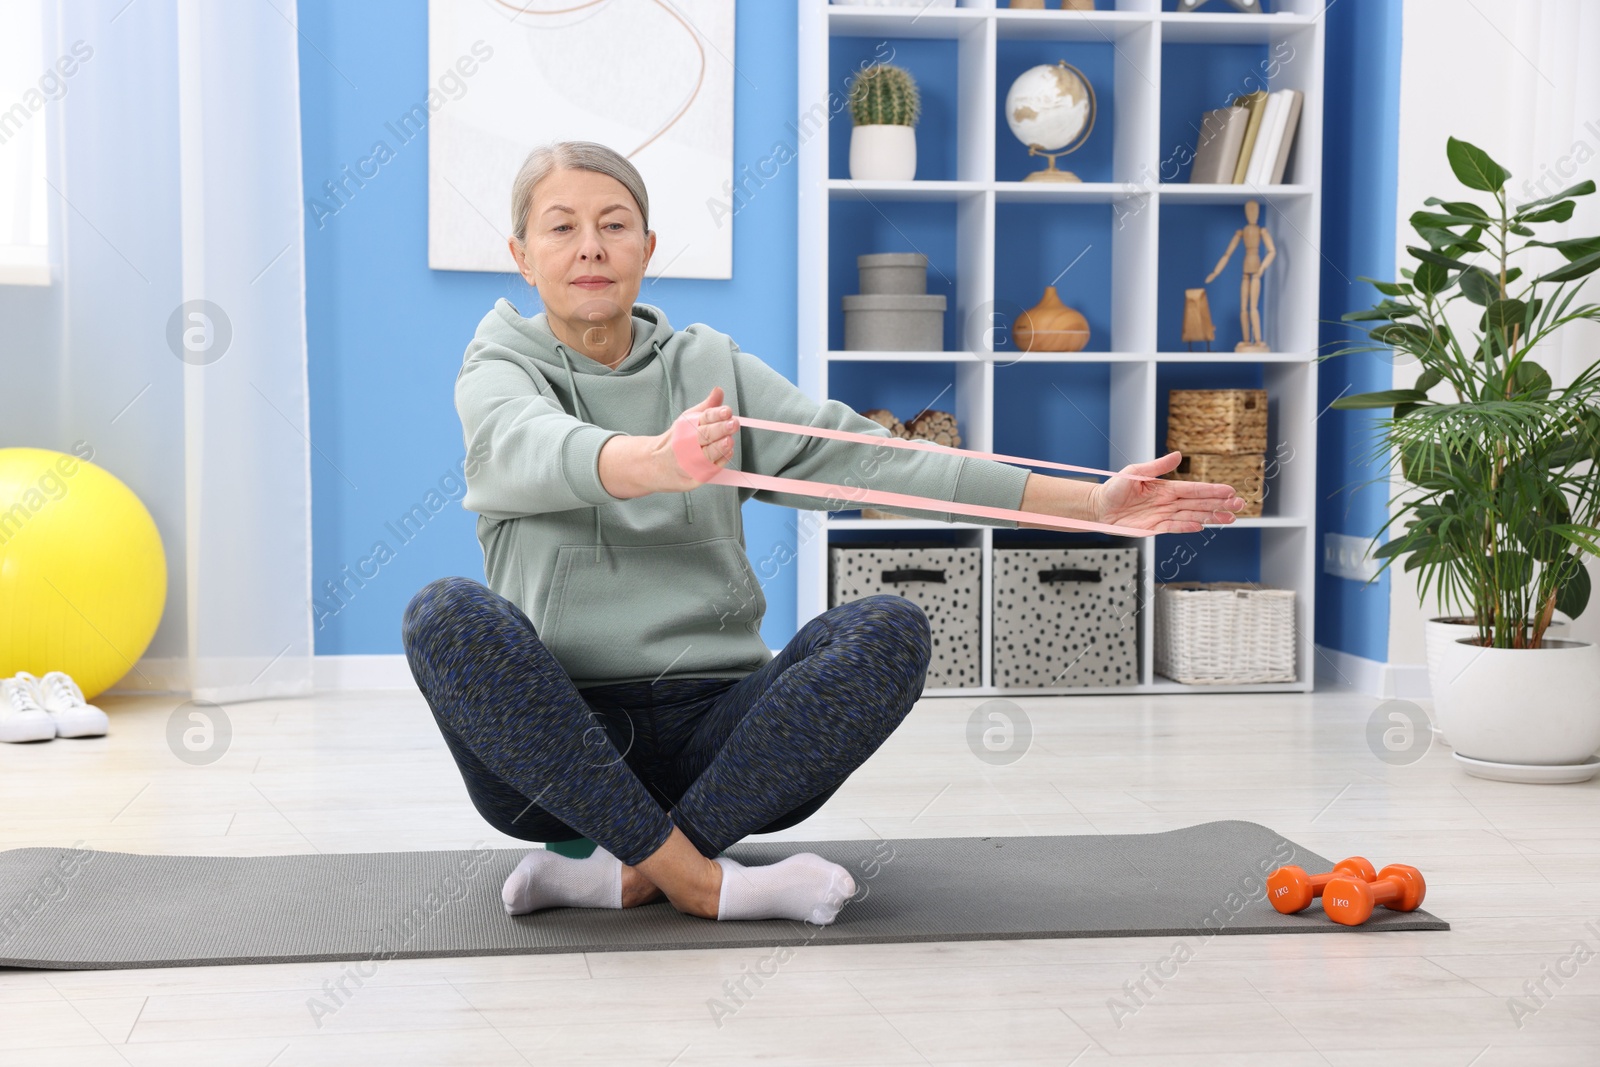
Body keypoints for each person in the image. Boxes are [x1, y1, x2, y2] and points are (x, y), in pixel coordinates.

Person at [401, 141, 1244, 927]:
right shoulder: (497, 369)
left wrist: (1088, 504)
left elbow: (873, 460)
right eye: (563, 227)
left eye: (613, 225)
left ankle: (623, 873)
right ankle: (702, 881)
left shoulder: (708, 365)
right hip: (559, 752)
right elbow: (539, 446)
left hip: (720, 743)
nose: (591, 247)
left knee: (890, 625)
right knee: (444, 611)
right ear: (521, 254)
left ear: (647, 247)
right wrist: (657, 460)